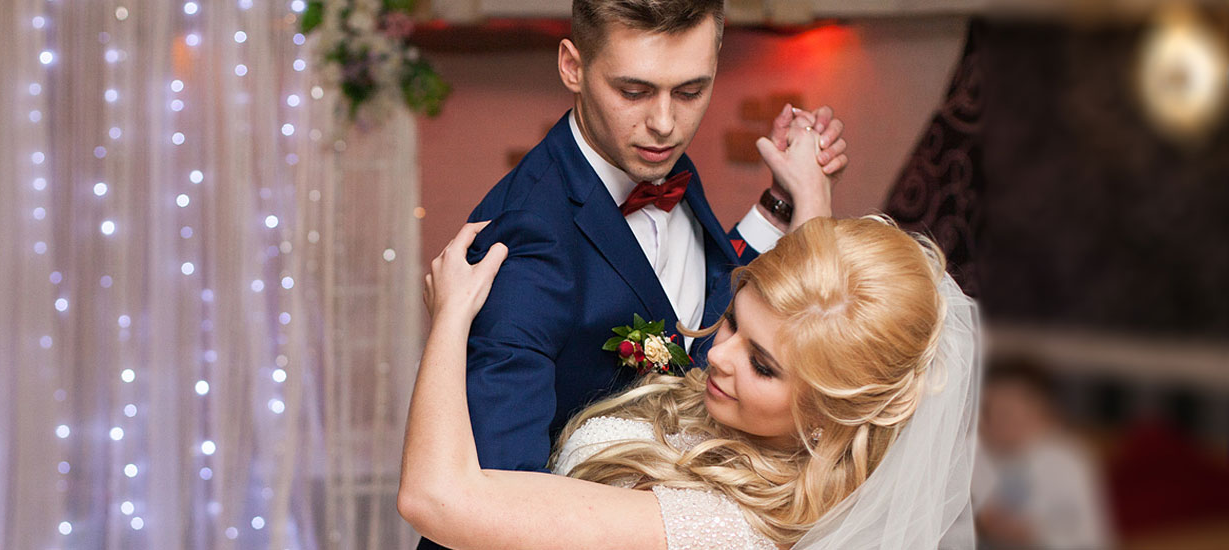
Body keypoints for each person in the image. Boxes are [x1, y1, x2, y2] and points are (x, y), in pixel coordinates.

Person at [401, 124, 982, 548]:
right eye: (732, 320)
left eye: (762, 366)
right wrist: (801, 198)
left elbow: (438, 501)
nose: (716, 355)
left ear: (827, 413)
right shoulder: (769, 416)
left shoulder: (721, 527)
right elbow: (807, 322)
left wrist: (452, 318)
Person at [448, 0, 847, 517]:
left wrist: (779, 206)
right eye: (633, 91)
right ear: (573, 66)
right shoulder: (523, 242)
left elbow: (693, 305)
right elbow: (498, 495)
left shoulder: (645, 153)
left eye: (691, 90)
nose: (664, 123)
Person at [973, 359, 1114, 550]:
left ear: (1040, 413)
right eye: (989, 411)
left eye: (1007, 413)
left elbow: (1092, 538)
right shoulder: (976, 454)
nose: (996, 423)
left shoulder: (1068, 461)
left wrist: (1033, 534)